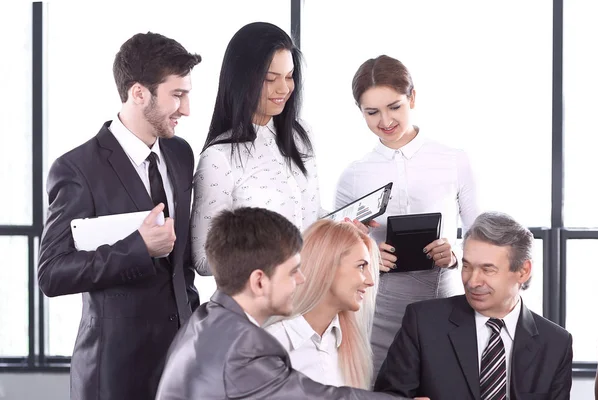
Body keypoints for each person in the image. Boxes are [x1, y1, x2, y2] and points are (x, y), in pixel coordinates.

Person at [37, 32, 201, 400]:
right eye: (177, 95)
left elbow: (181, 264)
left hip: (181, 364)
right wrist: (137, 248)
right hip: (113, 375)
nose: (187, 109)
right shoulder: (77, 168)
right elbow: (51, 273)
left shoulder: (180, 155)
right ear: (139, 93)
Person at [156, 207, 426, 400]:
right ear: (259, 281)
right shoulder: (245, 345)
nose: (301, 279)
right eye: (292, 271)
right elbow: (317, 396)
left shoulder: (206, 319)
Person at [336, 54, 479, 373]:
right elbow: (334, 251)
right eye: (371, 112)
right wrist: (369, 252)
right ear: (360, 111)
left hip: (442, 303)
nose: (384, 121)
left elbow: (480, 235)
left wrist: (454, 252)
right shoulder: (355, 174)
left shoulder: (453, 160)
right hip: (376, 310)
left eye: (394, 107)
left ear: (412, 97)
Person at [374, 212, 573, 399]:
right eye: (467, 266)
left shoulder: (556, 344)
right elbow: (387, 397)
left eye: (488, 270)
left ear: (523, 271)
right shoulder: (422, 322)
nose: (472, 281)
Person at [191, 21, 323, 275]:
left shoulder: (301, 136)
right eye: (270, 78)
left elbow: (311, 216)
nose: (284, 89)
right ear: (242, 80)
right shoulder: (219, 158)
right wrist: (269, 252)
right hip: (260, 307)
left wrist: (344, 224)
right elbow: (203, 259)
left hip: (309, 297)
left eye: (289, 76)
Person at [266, 219, 379, 389]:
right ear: (327, 266)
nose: (370, 281)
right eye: (361, 266)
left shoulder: (347, 347)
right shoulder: (269, 347)